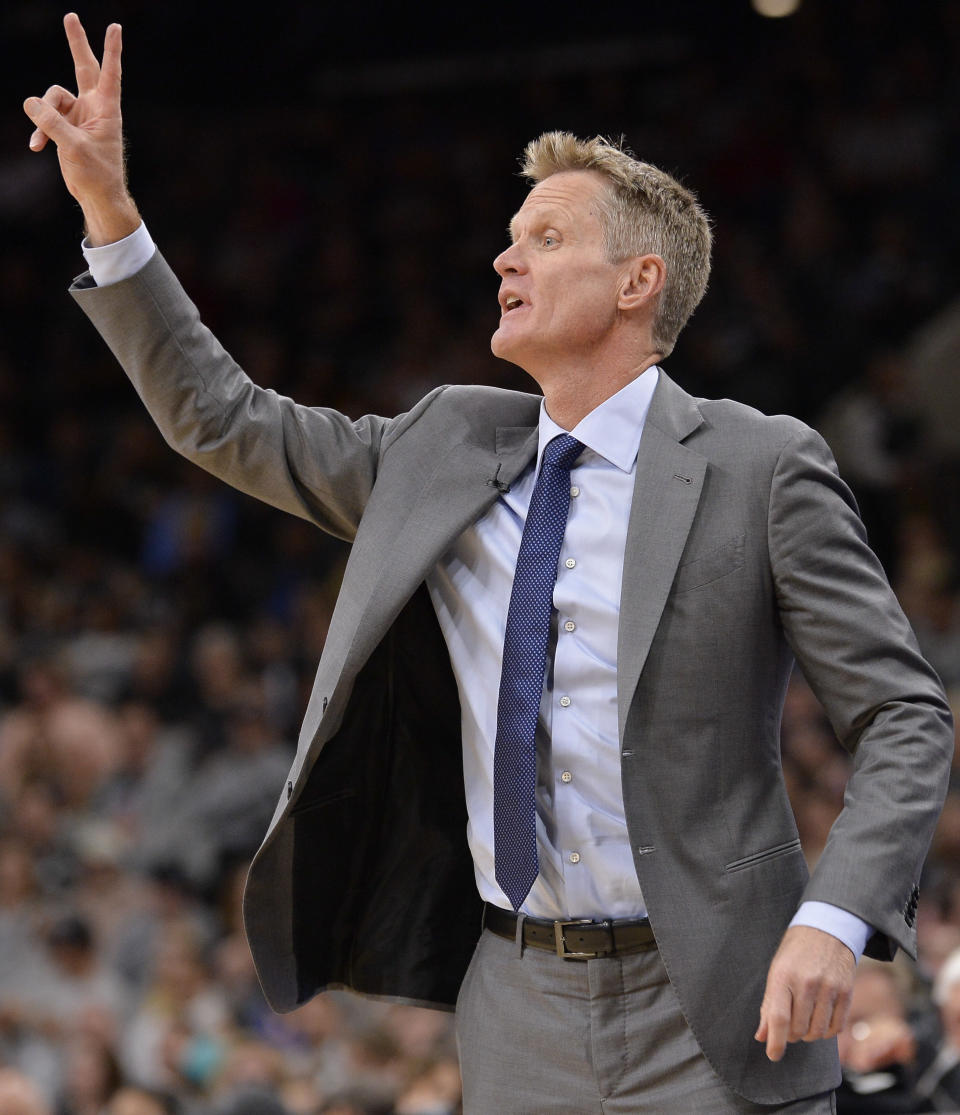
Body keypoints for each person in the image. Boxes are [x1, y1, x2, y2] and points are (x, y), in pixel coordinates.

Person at [22, 14, 954, 1113]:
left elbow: (905, 714)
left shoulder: (760, 465)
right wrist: (113, 217)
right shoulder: (445, 445)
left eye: (547, 238)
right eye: (512, 235)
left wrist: (834, 917)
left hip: (720, 991)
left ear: (637, 281)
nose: (506, 256)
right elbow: (223, 420)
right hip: (516, 996)